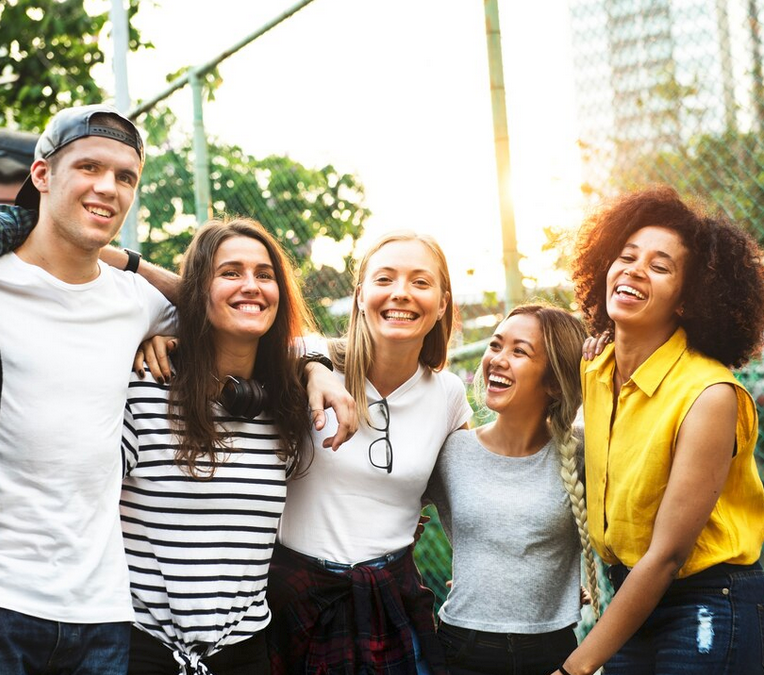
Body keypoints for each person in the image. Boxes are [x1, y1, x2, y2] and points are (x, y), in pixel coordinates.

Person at [551, 186, 764, 675]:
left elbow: (668, 554)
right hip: (630, 595)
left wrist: (577, 666)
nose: (633, 269)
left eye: (660, 266)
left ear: (688, 300)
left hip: (708, 598)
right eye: (626, 256)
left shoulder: (708, 394)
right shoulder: (595, 367)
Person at [0, 104, 176, 674]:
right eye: (90, 168)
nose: (109, 187)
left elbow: (245, 314)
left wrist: (319, 364)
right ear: (42, 175)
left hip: (102, 610)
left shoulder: (137, 303)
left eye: (126, 177)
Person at [267, 231, 473, 675]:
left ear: (442, 305)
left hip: (391, 599)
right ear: (361, 296)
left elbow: (472, 502)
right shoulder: (307, 358)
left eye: (421, 282)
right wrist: (161, 334)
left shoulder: (450, 395)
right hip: (296, 595)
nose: (401, 293)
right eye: (385, 279)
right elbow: (215, 330)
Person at [122, 218, 317, 674]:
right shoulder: (144, 387)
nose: (251, 286)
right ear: (196, 292)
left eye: (264, 275)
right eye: (230, 272)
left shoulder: (288, 409)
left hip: (246, 653)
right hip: (144, 650)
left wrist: (318, 367)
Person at [426, 304, 600, 675]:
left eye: (519, 351)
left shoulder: (585, 451)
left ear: (553, 382)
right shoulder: (452, 451)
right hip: (462, 651)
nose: (497, 360)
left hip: (554, 652)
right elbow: (387, 518)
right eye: (495, 345)